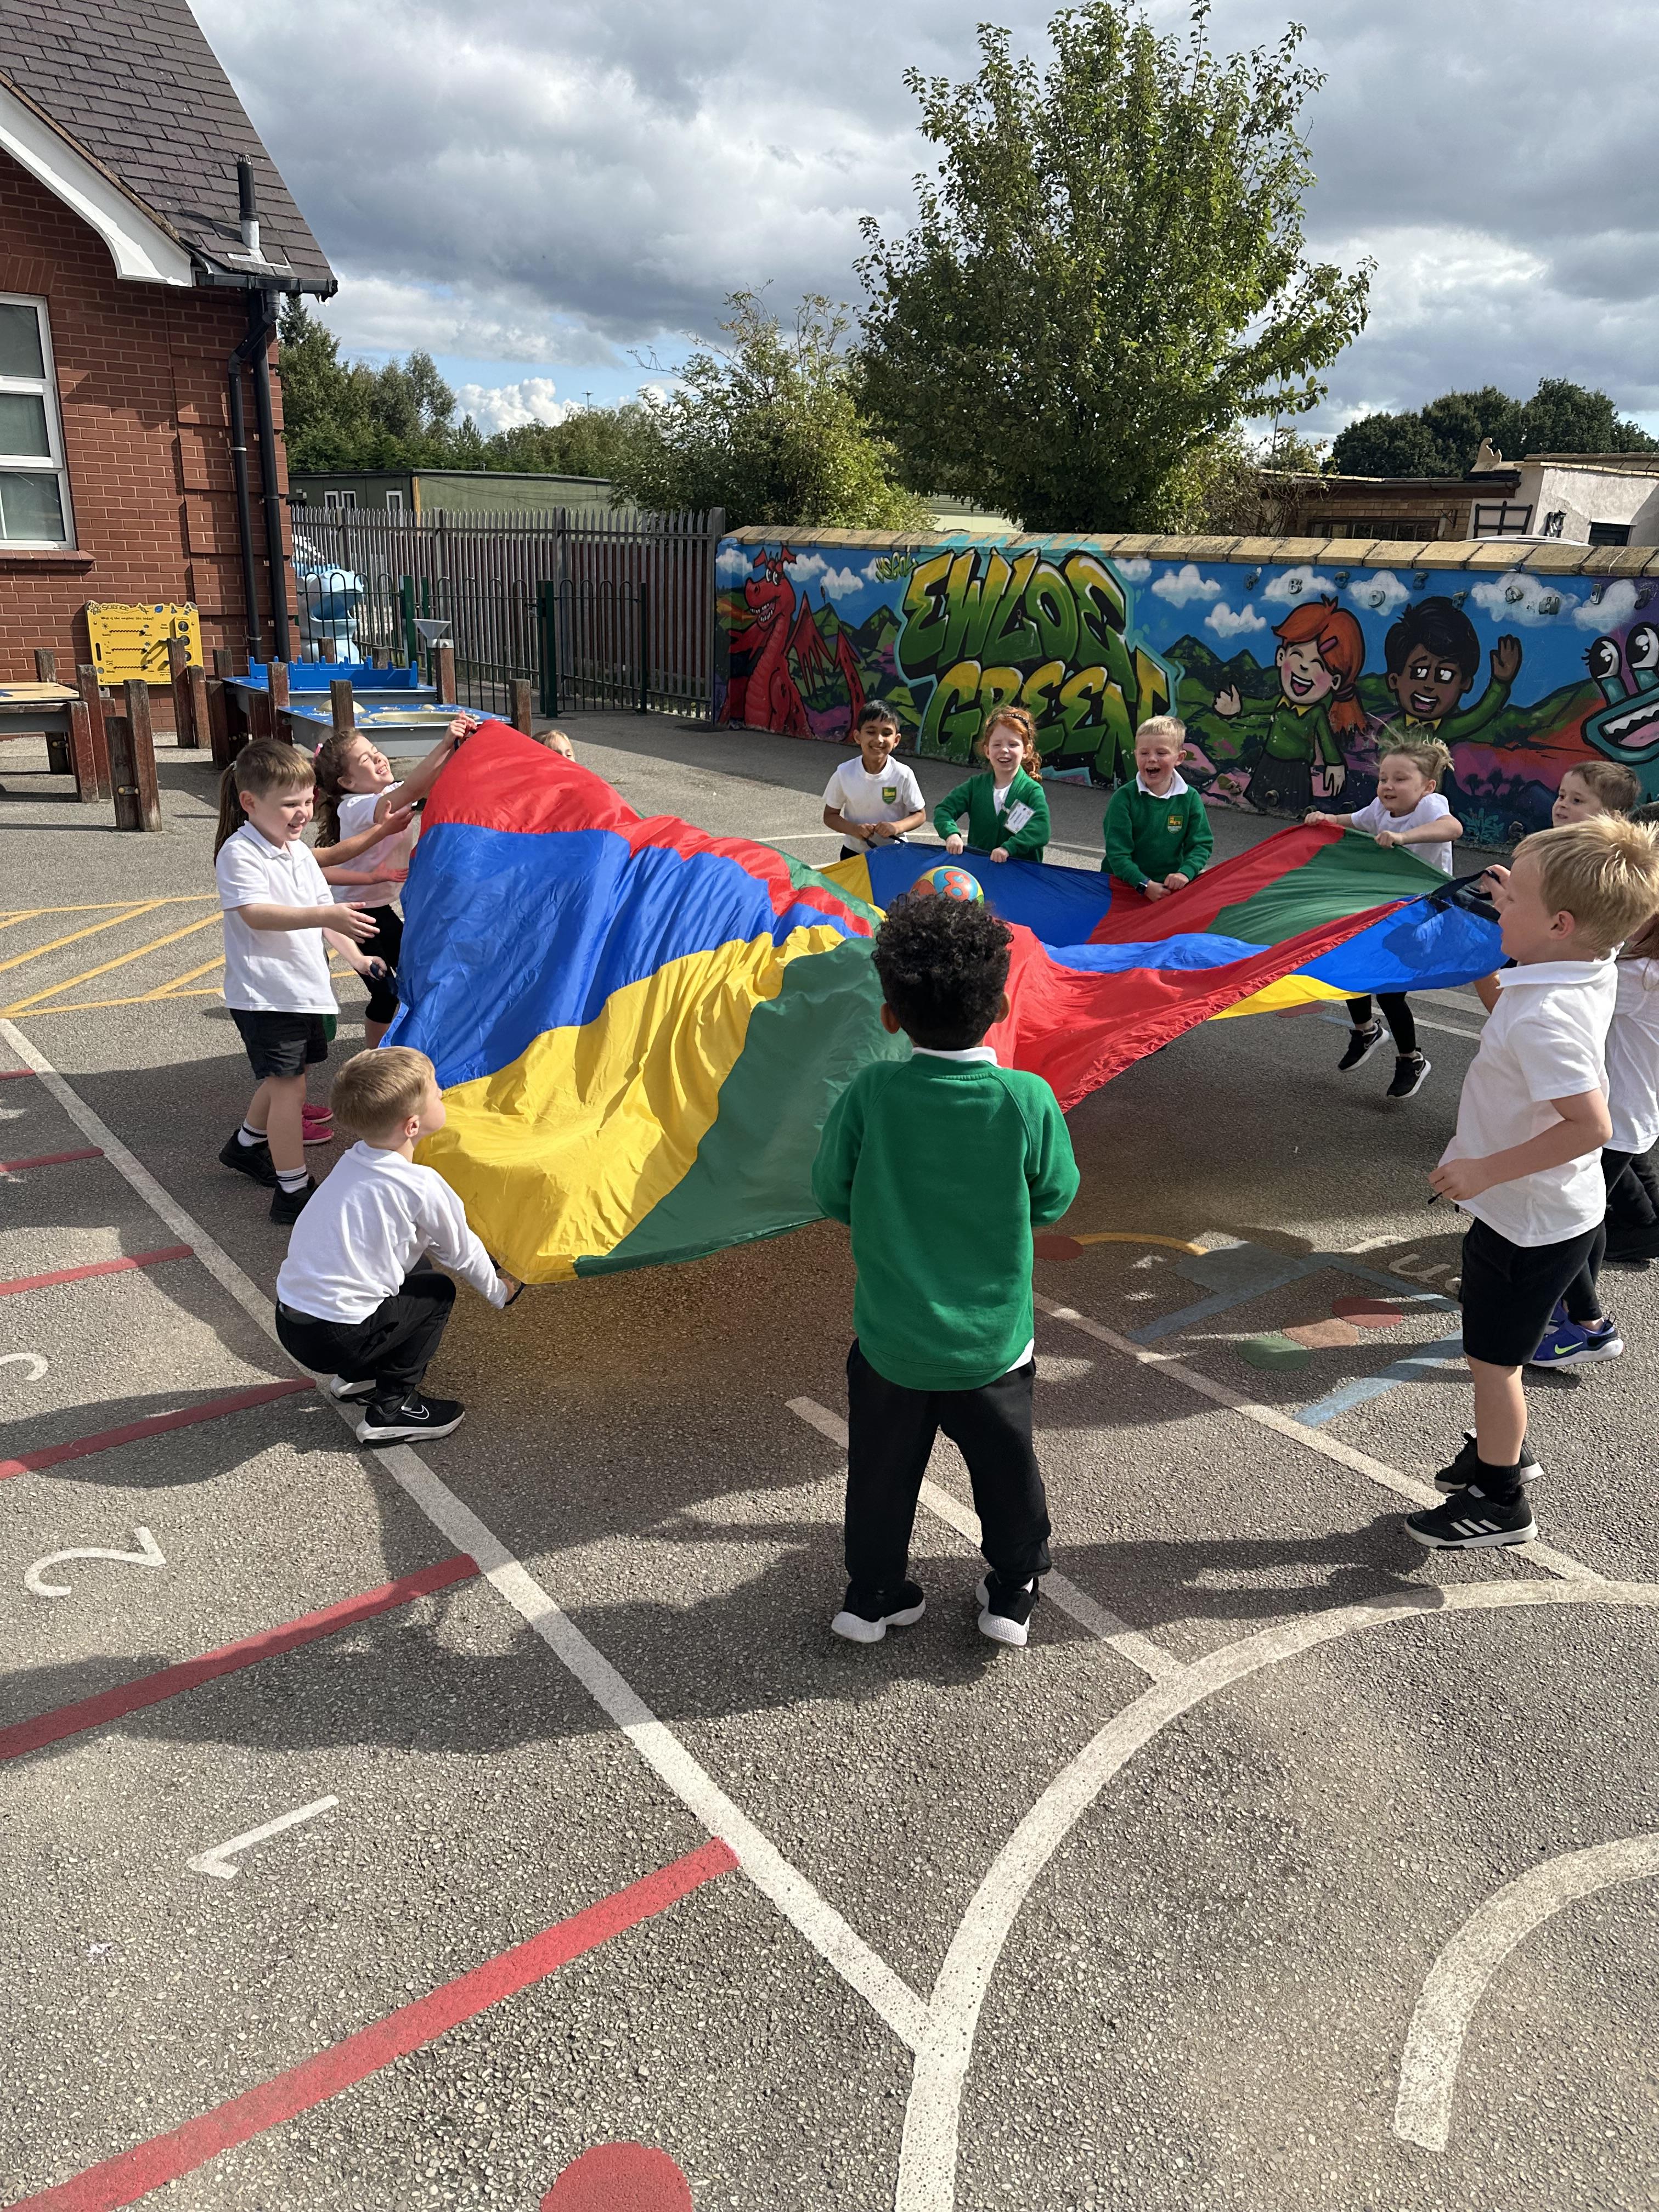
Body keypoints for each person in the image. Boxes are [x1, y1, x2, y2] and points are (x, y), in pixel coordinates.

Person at [810, 894, 1079, 1646]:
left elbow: (831, 1190)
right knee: (1006, 1469)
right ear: (1001, 1006)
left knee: (880, 1472)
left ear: (890, 1016)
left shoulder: (872, 1092)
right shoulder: (1025, 1099)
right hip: (992, 1345)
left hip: (891, 1340)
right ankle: (1013, 1590)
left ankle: (872, 1596)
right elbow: (1054, 1196)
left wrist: (891, 1218)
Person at [1409, 815, 1659, 1549]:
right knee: (1494, 1355)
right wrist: (1505, 916)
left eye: (1512, 897)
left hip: (1529, 1220)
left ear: (1559, 923)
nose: (1500, 903)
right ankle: (1501, 1449)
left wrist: (1484, 1169)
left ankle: (1501, 1499)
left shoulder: (1549, 1015)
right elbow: (1511, 1000)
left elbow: (1591, 1125)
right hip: (1530, 1213)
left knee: (1494, 1364)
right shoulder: (1586, 965)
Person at [274, 1046, 521, 1444]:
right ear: (412, 1126)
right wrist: (499, 1291)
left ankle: (359, 1375)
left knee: (415, 1269)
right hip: (338, 1335)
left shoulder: (353, 1161)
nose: (442, 1093)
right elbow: (462, 1252)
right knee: (437, 1292)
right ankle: (394, 1407)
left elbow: (416, 1243)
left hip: (292, 1324)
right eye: (436, 1090)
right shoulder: (420, 1184)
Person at [214, 742, 383, 1226]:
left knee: (287, 1078)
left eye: (308, 801)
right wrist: (326, 915)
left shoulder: (298, 854)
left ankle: (247, 1144)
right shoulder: (240, 853)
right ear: (250, 802)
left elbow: (326, 915)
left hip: (303, 990)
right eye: (290, 804)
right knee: (289, 1089)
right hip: (266, 996)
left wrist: (359, 958)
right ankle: (293, 1190)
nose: (303, 813)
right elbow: (256, 914)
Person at [1307, 738, 1463, 1101]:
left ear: (1427, 786)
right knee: (1351, 964)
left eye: (1400, 779)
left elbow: (1452, 829)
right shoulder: (1380, 808)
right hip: (1387, 905)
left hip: (1424, 910)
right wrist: (1326, 819)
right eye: (1383, 779)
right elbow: (1354, 821)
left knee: (1390, 990)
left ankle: (1411, 1059)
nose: (1388, 786)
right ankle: (1366, 1031)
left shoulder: (1430, 806)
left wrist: (1404, 837)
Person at [313, 714, 475, 1047]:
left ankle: (412, 1046)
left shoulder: (386, 792)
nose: (378, 758)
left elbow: (426, 783)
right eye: (366, 759)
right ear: (347, 782)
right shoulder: (355, 807)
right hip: (354, 914)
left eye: (376, 751)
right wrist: (445, 742)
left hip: (379, 909)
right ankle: (375, 1058)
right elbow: (414, 788)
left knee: (418, 975)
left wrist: (460, 747)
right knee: (385, 994)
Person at [1205, 596, 1367, 814]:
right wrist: (1238, 708)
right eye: (1298, 655)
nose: (1304, 667)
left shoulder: (1316, 713)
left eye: (1318, 664)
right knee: (1260, 801)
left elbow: (1327, 741)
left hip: (1297, 769)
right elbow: (1260, 705)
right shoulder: (1280, 701)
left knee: (1292, 806)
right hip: (1269, 762)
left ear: (1335, 681)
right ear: (1281, 656)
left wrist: (1335, 763)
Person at [1379, 595, 1522, 745]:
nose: (1429, 685)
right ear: (1394, 680)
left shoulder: (1449, 728)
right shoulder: (1393, 729)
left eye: (1445, 675)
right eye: (1419, 672)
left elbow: (1479, 715)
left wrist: (1500, 683)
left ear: (1465, 683)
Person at [1102, 715, 1212, 899]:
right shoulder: (1124, 799)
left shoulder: (1190, 798)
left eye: (1161, 753)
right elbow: (1118, 854)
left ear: (1179, 758)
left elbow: (1201, 844)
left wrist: (1185, 873)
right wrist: (1144, 884)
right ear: (1136, 755)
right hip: (1123, 887)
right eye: (1144, 753)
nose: (1152, 759)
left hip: (1169, 888)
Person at [933, 706, 1050, 865]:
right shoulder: (975, 786)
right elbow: (944, 810)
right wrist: (951, 834)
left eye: (1013, 744)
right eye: (997, 745)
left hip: (1019, 873)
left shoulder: (1031, 791)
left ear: (1026, 751)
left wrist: (1009, 848)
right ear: (987, 751)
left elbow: (1040, 829)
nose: (1004, 750)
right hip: (980, 870)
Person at [822, 703, 927, 860]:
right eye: (871, 732)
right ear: (858, 737)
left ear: (896, 740)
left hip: (895, 852)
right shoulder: (844, 773)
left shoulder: (903, 774)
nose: (879, 739)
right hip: (854, 853)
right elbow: (830, 816)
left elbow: (919, 814)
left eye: (887, 733)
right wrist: (855, 830)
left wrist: (896, 827)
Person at [1551, 759, 1641, 825]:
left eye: (1577, 800)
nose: (1562, 804)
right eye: (1562, 796)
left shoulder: (1607, 846)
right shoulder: (1549, 843)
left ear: (1611, 815)